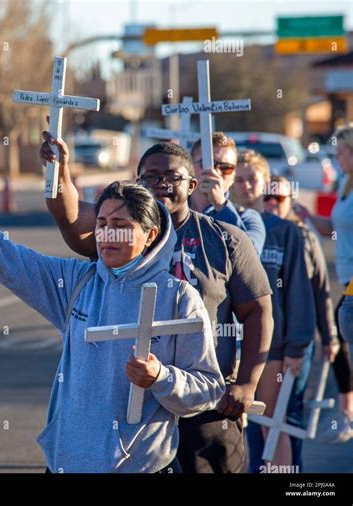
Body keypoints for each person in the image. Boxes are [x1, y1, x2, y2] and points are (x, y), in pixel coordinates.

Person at [0, 152, 225, 474]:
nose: (107, 235)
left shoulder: (179, 297)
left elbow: (208, 389)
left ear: (150, 235)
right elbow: (4, 258)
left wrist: (161, 378)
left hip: (141, 467)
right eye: (102, 224)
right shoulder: (77, 283)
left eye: (121, 226)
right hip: (67, 464)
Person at [40, 134, 274, 473]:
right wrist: (57, 173)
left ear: (192, 184)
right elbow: (72, 219)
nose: (160, 183)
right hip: (134, 412)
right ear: (138, 181)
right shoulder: (121, 233)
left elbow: (258, 311)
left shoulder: (225, 239)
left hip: (204, 404)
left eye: (171, 176)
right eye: (150, 176)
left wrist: (246, 383)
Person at [247, 174, 339, 471]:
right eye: (268, 197)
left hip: (289, 345)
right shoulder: (251, 229)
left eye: (280, 198)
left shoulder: (300, 235)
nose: (273, 203)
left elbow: (317, 293)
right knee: (259, 426)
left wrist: (328, 339)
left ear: (290, 201)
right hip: (256, 344)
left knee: (280, 423)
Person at [232, 150, 316, 468]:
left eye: (252, 178)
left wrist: (297, 345)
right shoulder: (221, 224)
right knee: (234, 431)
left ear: (265, 182)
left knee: (271, 425)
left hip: (271, 348)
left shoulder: (285, 231)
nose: (245, 185)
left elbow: (299, 291)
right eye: (238, 179)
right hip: (227, 344)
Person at [294, 125, 353, 440]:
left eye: (342, 152)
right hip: (346, 277)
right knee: (338, 339)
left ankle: (347, 413)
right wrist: (306, 216)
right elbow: (335, 226)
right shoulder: (345, 183)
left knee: (337, 337)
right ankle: (348, 413)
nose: (338, 158)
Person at [190, 132, 266, 255]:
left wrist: (221, 206)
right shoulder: (174, 213)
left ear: (233, 176)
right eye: (206, 164)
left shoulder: (247, 218)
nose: (215, 172)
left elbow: (250, 257)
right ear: (190, 167)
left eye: (226, 168)